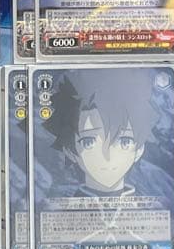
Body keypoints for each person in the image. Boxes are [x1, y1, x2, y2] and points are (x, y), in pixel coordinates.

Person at [41, 68, 162, 198]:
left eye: (125, 141)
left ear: (139, 149)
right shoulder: (55, 205)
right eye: (89, 142)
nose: (108, 156)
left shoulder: (154, 205)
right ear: (69, 151)